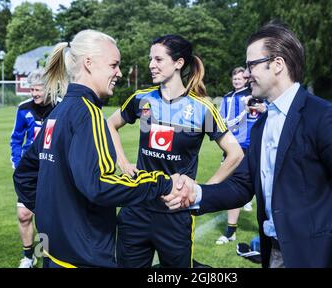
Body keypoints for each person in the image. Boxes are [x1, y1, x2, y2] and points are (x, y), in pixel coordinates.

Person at [165, 22, 332, 268]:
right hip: (275, 255)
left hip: (318, 258)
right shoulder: (261, 125)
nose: (246, 74)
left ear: (277, 64)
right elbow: (242, 185)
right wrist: (195, 193)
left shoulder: (324, 118)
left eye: (251, 65)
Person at [13, 30, 189, 268]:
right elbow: (100, 185)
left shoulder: (58, 112)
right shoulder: (88, 114)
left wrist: (54, 218)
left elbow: (24, 175)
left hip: (54, 254)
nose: (119, 72)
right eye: (114, 65)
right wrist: (164, 183)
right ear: (89, 63)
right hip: (84, 258)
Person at [107, 34, 244, 268]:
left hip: (175, 214)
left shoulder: (202, 109)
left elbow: (235, 153)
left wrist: (201, 193)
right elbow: (109, 124)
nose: (151, 65)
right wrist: (122, 161)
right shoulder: (142, 99)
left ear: (179, 63)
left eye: (159, 59)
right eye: (151, 59)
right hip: (135, 208)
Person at [10, 70, 58, 268]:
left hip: (52, 169)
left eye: (38, 89)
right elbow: (16, 138)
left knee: (48, 217)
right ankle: (29, 257)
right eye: (32, 89)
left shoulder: (60, 107)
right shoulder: (23, 109)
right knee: (24, 215)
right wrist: (17, 162)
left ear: (49, 89)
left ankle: (49, 255)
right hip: (29, 171)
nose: (34, 93)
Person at [215, 67, 263, 245]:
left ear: (246, 79)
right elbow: (222, 120)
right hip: (235, 147)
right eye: (234, 78)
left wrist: (262, 107)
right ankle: (230, 232)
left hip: (255, 147)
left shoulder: (256, 95)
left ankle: (273, 231)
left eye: (240, 78)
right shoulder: (227, 97)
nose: (237, 80)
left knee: (265, 188)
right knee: (233, 187)